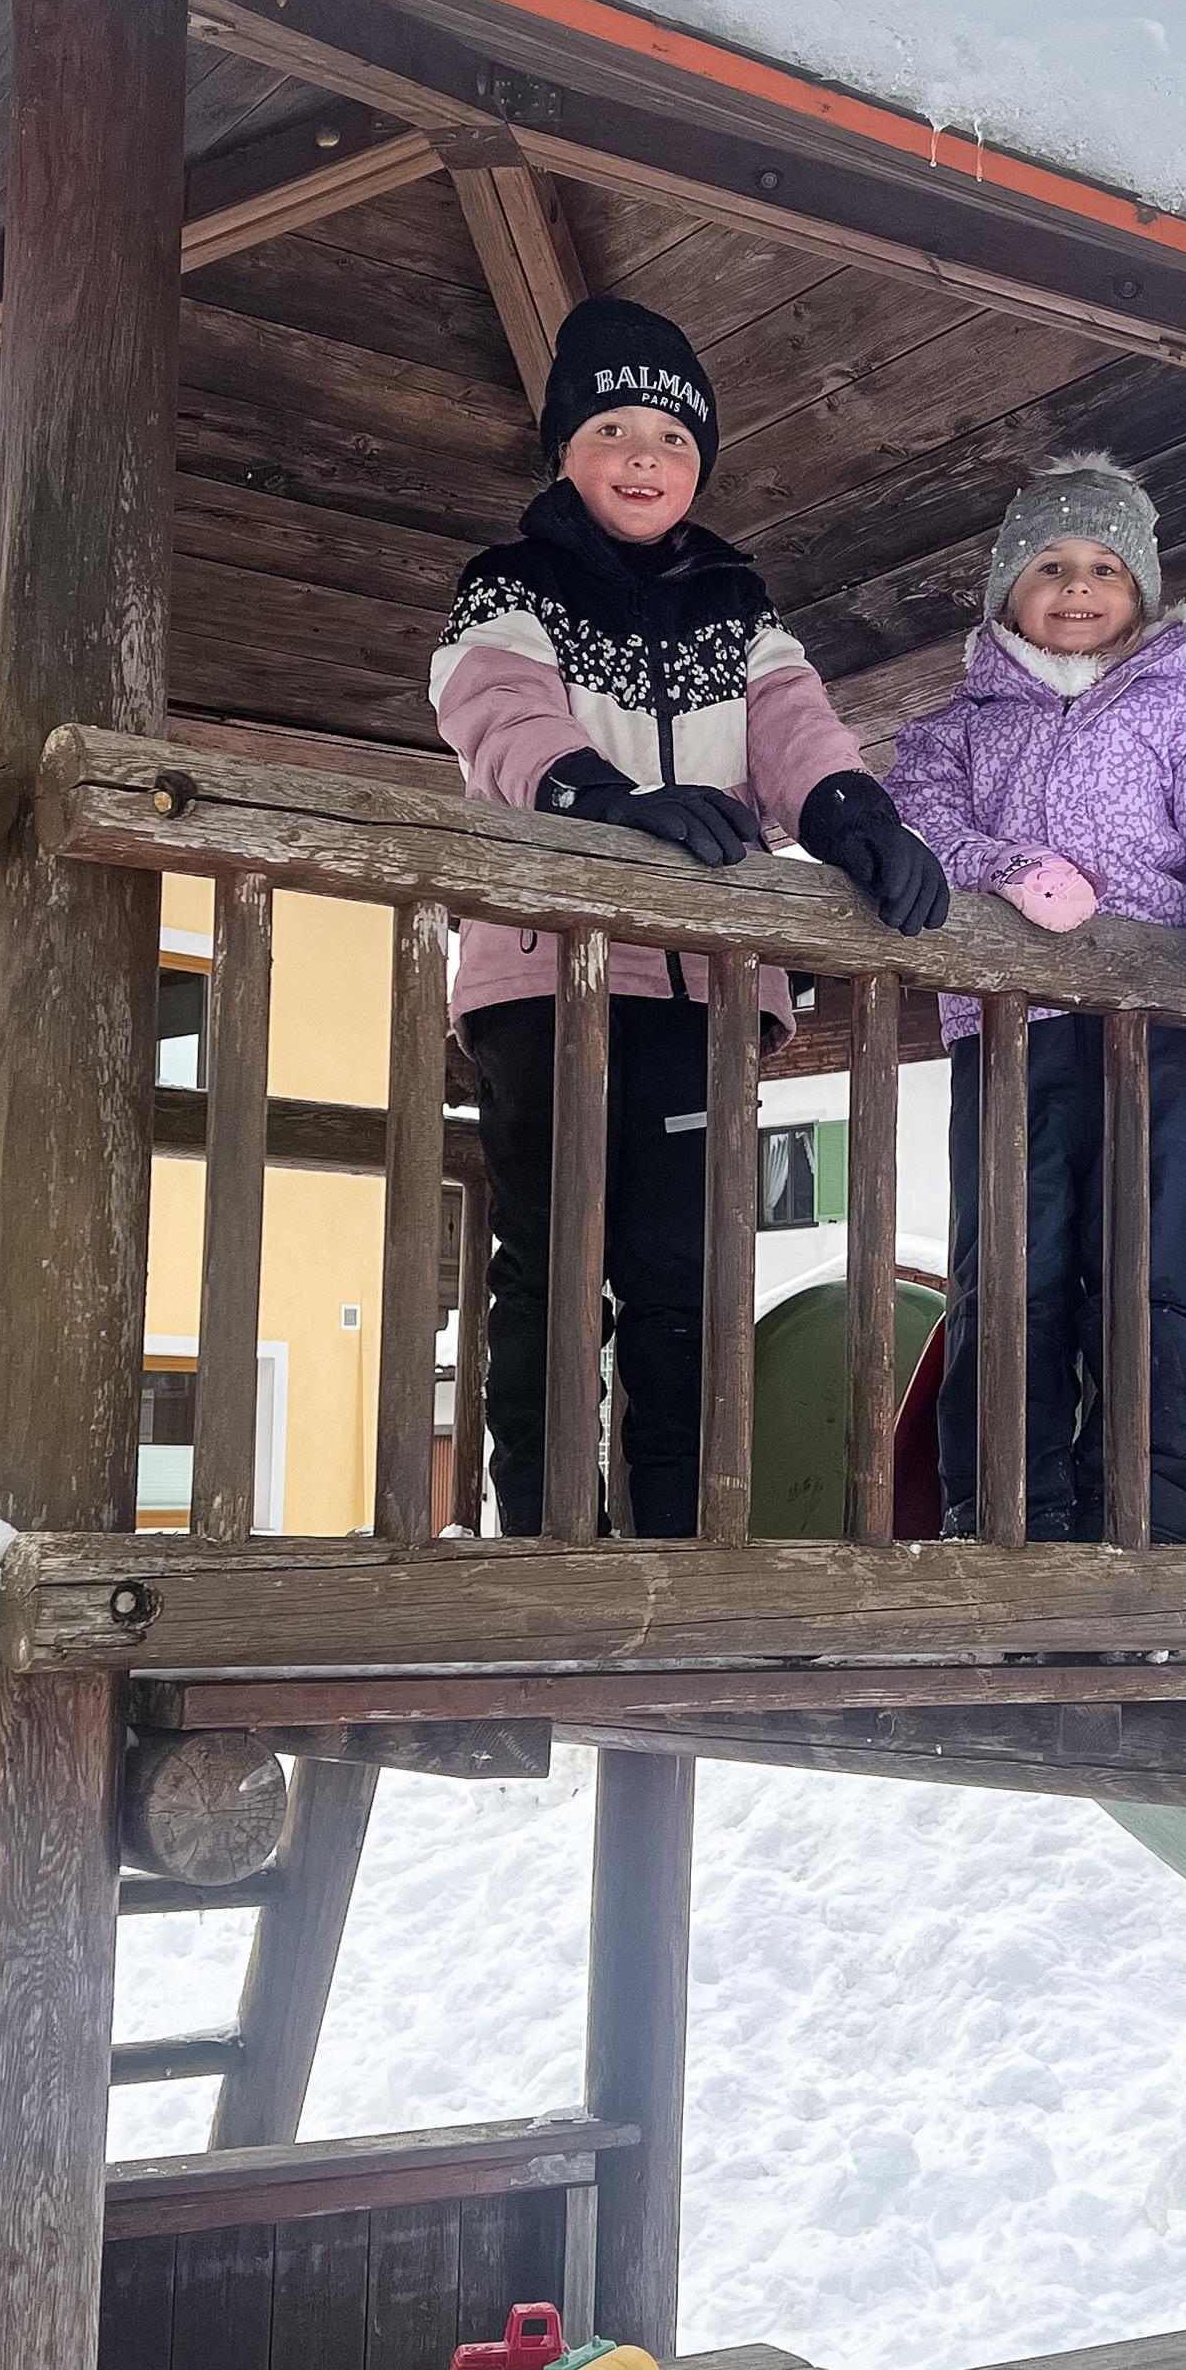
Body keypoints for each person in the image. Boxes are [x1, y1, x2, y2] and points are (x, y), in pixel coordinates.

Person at [430, 293, 947, 1535]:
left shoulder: (737, 608)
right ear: (564, 450)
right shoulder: (513, 585)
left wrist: (856, 818)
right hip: (548, 982)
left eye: (670, 437)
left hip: (703, 999)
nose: (642, 457)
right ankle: (550, 1529)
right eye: (611, 430)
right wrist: (604, 800)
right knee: (556, 1264)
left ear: (700, 462)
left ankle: (671, 1534)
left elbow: (793, 731)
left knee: (685, 1275)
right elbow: (498, 713)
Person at [886, 454, 1186, 1542]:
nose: (1078, 586)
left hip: (1158, 1039)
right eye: (1051, 565)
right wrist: (1004, 866)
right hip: (1008, 1043)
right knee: (1010, 1276)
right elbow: (909, 826)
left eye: (1106, 567)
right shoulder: (959, 728)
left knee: (1155, 1276)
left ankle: (1153, 1520)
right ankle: (1005, 1521)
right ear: (1007, 593)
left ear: (1144, 595)